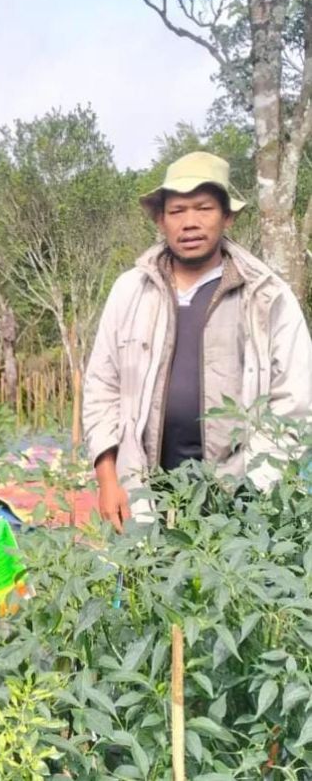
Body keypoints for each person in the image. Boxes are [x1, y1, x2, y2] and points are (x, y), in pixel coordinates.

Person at [83, 151, 312, 528]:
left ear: (228, 216)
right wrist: (108, 478)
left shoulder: (266, 296)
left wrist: (257, 489)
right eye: (177, 211)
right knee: (147, 584)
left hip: (239, 501)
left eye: (203, 208)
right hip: (143, 493)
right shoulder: (130, 292)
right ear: (160, 219)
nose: (190, 223)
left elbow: (296, 401)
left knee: (227, 584)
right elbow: (101, 386)